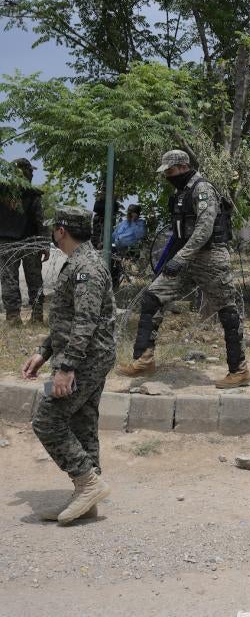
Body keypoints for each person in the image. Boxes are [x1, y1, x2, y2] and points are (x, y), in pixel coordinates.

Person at [116, 149, 250, 388]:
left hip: (210, 259)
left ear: (182, 166)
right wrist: (171, 259)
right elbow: (178, 232)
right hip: (185, 259)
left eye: (169, 171)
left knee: (227, 312)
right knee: (152, 297)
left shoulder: (202, 189)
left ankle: (239, 371)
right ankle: (143, 359)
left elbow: (204, 229)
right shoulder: (181, 192)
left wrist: (181, 257)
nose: (167, 175)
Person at [21, 206, 116, 525]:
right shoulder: (77, 263)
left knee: (46, 417)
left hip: (84, 360)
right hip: (85, 357)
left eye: (54, 229)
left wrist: (66, 367)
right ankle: (85, 499)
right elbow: (66, 319)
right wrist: (43, 352)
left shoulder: (85, 267)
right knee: (82, 424)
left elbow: (85, 323)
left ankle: (88, 483)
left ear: (61, 231)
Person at [1, 157, 47, 325]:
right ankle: (36, 316)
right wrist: (44, 245)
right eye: (31, 170)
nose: (32, 174)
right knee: (34, 280)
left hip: (7, 243)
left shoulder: (3, 191)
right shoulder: (33, 194)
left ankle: (13, 317)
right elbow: (39, 220)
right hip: (29, 243)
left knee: (9, 280)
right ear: (25, 172)